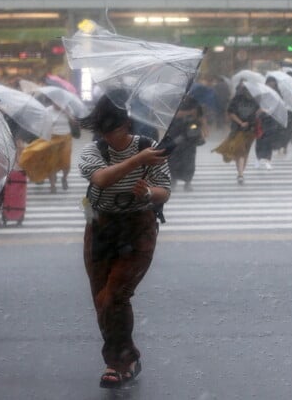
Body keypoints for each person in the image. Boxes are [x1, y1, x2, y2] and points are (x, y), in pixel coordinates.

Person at [78, 94, 171, 389]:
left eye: (113, 130)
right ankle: (126, 357)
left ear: (126, 124)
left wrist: (148, 194)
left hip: (137, 227)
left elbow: (164, 190)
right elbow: (102, 179)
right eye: (103, 131)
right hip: (101, 227)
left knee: (114, 296)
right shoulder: (93, 152)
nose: (108, 136)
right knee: (100, 299)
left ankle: (116, 363)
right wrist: (138, 161)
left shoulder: (149, 148)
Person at [212, 82, 261, 185]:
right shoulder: (236, 100)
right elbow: (231, 113)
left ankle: (241, 172)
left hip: (250, 130)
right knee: (240, 152)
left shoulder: (255, 101)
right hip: (238, 130)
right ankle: (240, 174)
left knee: (245, 152)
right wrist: (240, 122)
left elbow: (256, 115)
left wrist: (259, 113)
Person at [166, 96, 208, 190]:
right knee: (173, 159)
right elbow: (172, 114)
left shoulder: (194, 101)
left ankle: (188, 182)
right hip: (175, 133)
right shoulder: (174, 101)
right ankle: (173, 180)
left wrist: (204, 130)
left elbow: (200, 116)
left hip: (190, 135)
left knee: (189, 159)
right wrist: (189, 113)